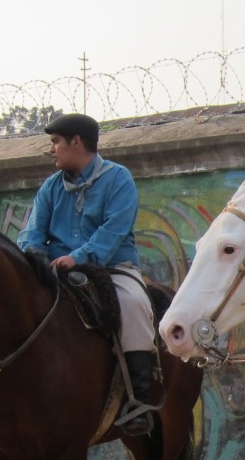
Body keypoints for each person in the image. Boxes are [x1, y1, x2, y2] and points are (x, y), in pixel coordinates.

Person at [17, 113, 157, 436]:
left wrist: (77, 258)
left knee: (135, 304)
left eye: (55, 142)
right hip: (56, 271)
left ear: (76, 143)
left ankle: (138, 400)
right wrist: (36, 259)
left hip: (112, 268)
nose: (52, 150)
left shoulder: (119, 180)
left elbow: (114, 231)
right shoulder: (51, 187)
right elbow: (32, 232)